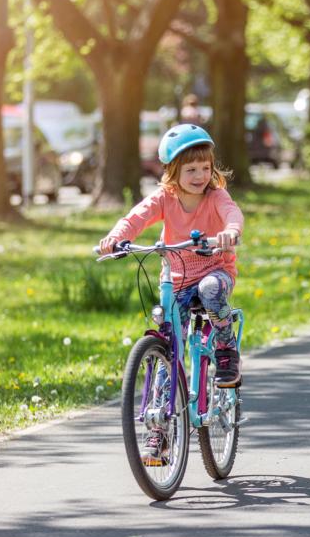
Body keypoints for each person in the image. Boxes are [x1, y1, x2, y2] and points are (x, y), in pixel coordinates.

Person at [99, 124, 244, 392]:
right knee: (170, 342)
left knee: (210, 289)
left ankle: (226, 350)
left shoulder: (216, 196)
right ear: (172, 172)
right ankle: (159, 421)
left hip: (215, 271)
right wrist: (115, 238)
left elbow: (232, 213)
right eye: (191, 170)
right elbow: (136, 217)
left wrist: (230, 231)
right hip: (177, 280)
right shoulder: (164, 198)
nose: (200, 175)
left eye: (205, 167)